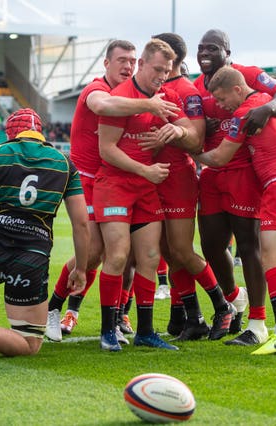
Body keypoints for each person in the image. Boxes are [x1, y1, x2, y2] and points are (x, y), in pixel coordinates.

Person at [43, 40, 180, 342]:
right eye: (121, 60)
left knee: (123, 255)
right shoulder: (96, 90)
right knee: (93, 253)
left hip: (118, 177)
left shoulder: (137, 93)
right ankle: (54, 308)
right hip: (87, 180)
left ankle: (116, 315)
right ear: (106, 64)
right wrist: (149, 104)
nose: (127, 66)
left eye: (131, 60)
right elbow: (103, 106)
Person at [0, 108, 90, 363]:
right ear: (40, 133)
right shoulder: (65, 164)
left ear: (11, 134)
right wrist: (81, 269)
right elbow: (82, 224)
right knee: (29, 343)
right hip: (33, 257)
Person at [196, 67, 276, 354]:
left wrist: (189, 150)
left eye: (223, 99)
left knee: (271, 259)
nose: (223, 106)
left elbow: (219, 157)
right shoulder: (271, 103)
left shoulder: (246, 114)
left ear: (238, 89)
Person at [94, 38, 198, 351]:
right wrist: (144, 171)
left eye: (167, 71)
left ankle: (146, 331)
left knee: (151, 258)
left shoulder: (165, 97)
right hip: (114, 186)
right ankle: (108, 330)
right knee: (118, 254)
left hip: (145, 188)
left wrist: (178, 131)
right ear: (141, 65)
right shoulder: (120, 97)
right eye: (156, 69)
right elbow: (106, 150)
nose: (162, 76)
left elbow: (193, 134)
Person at [145, 32, 234, 341]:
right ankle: (192, 317)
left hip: (178, 178)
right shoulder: (155, 88)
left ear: (174, 59)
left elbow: (195, 138)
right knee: (169, 253)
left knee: (182, 249)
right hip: (154, 177)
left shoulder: (184, 90)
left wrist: (177, 132)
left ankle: (224, 305)